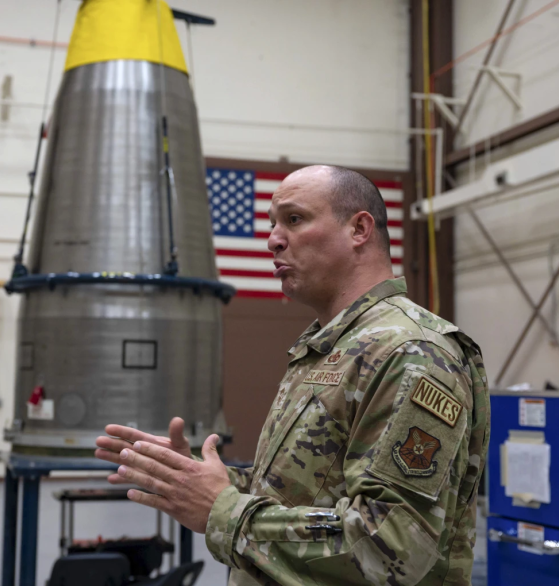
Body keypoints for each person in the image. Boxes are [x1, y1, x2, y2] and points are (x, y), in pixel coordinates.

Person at [95, 165, 490, 586]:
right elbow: (299, 492)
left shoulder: (411, 352)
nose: (272, 239)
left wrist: (222, 510)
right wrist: (199, 480)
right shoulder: (329, 346)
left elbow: (388, 546)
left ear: (359, 229)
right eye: (272, 224)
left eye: (294, 219)